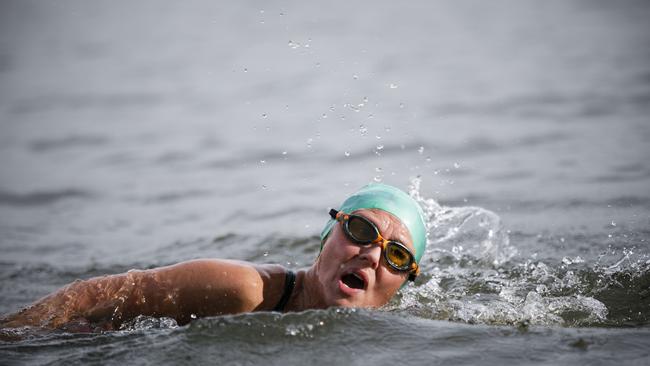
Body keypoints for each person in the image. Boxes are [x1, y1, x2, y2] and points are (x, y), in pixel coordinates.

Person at [0, 183, 427, 331]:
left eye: (396, 256)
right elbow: (89, 295)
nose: (372, 255)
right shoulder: (245, 290)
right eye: (359, 230)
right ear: (324, 237)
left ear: (404, 284)